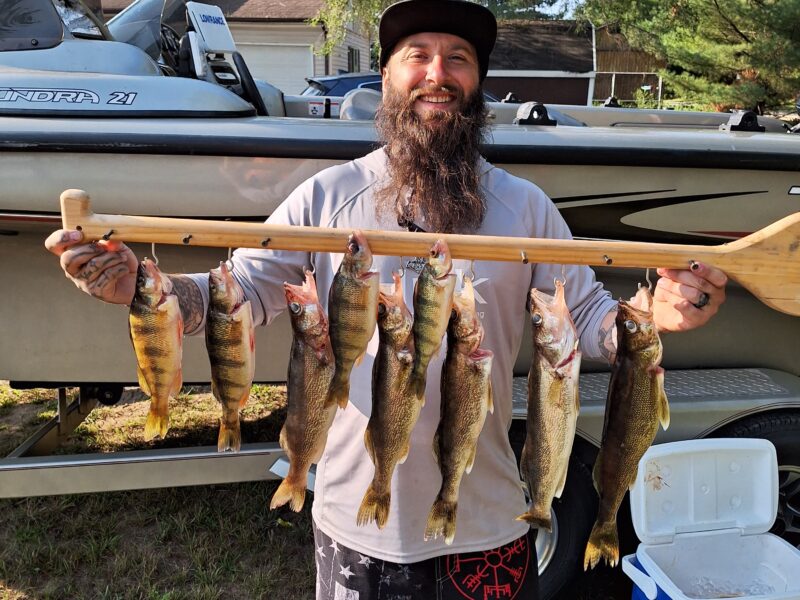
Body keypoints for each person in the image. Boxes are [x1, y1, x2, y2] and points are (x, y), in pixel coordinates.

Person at [45, 0, 728, 597]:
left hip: (488, 525)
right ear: (387, 80)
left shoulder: (527, 208)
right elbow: (242, 291)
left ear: (479, 84)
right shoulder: (325, 197)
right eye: (418, 56)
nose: (438, 73)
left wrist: (654, 317)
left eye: (458, 58)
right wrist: (144, 288)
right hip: (355, 527)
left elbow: (589, 321)